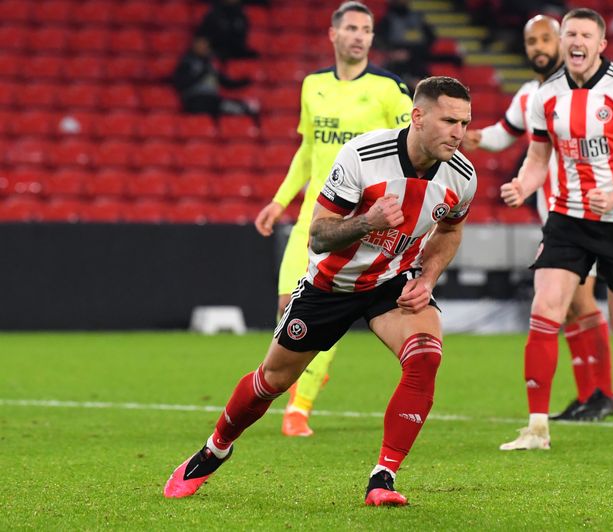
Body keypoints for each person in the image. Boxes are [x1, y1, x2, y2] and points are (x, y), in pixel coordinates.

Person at [164, 76, 477, 506]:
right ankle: (214, 450)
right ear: (417, 116)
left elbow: (450, 229)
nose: (459, 133)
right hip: (330, 286)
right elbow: (319, 235)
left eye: (464, 123)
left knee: (425, 357)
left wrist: (427, 279)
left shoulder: (462, 175)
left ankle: (382, 478)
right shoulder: (363, 156)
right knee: (271, 380)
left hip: (392, 282)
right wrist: (369, 221)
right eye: (449, 121)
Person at [497, 8, 613, 451]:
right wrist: (524, 185)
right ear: (562, 42)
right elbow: (539, 158)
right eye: (569, 34)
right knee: (545, 310)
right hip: (567, 219)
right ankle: (537, 428)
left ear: (601, 45)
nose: (575, 41)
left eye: (585, 35)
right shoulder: (546, 96)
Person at [253, 1, 413, 438]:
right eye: (353, 28)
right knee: (289, 308)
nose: (360, 35)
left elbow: (409, 149)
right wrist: (279, 200)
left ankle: (299, 408)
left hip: (357, 224)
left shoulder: (389, 90)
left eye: (367, 29)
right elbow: (308, 151)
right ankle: (303, 385)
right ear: (334, 34)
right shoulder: (313, 86)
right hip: (313, 217)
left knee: (322, 309)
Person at [462, 15, 613, 422]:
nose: (539, 47)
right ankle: (592, 394)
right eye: (532, 40)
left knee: (578, 302)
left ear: (565, 40)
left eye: (546, 38)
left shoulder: (592, 91)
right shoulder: (532, 94)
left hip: (587, 216)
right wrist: (467, 135)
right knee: (569, 307)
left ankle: (601, 393)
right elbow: (501, 135)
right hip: (555, 219)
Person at [171, 34, 258, 121]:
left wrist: (243, 82)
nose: (203, 47)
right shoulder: (187, 63)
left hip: (212, 100)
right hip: (195, 100)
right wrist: (202, 73)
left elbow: (225, 82)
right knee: (221, 108)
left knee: (244, 109)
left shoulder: (210, 65)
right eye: (200, 44)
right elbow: (181, 83)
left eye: (205, 44)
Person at [375, 0, 436, 90]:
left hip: (417, 61)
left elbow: (430, 38)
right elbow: (378, 40)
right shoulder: (388, 19)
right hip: (396, 64)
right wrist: (392, 53)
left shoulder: (417, 17)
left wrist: (415, 53)